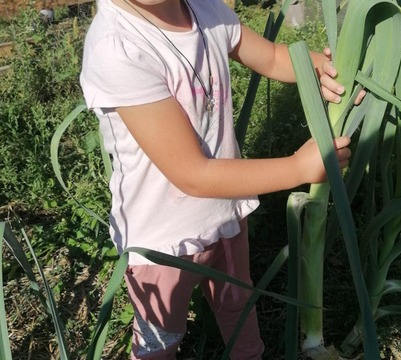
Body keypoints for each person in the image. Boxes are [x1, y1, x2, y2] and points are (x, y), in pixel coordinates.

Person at [80, 0, 364, 358]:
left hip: (226, 212)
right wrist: (297, 168)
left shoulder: (205, 9)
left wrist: (317, 67)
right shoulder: (117, 46)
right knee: (160, 340)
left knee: (237, 302)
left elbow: (274, 59)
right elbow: (192, 174)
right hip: (162, 243)